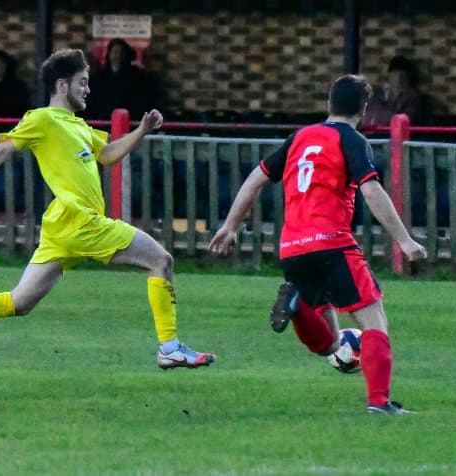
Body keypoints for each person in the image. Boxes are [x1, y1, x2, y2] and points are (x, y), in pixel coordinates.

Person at [0, 49, 217, 369]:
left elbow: (108, 154)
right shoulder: (42, 119)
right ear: (62, 85)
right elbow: (4, 149)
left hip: (62, 226)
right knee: (161, 260)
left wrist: (142, 130)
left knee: (19, 302)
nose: (88, 89)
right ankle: (169, 348)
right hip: (81, 221)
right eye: (82, 82)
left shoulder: (78, 125)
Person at [208, 74, 427, 415]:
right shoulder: (352, 140)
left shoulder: (299, 137)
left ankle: (297, 306)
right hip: (332, 243)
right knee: (374, 321)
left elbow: (255, 178)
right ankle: (379, 403)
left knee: (330, 344)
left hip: (293, 248)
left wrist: (230, 225)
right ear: (364, 109)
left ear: (329, 103)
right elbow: (371, 191)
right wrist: (404, 240)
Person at [86, 39, 157, 120]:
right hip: (104, 122)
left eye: (121, 53)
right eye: (115, 52)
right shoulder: (99, 78)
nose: (118, 56)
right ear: (109, 54)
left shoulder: (137, 77)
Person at [363, 56, 427, 126]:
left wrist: (383, 115)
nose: (399, 78)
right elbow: (368, 115)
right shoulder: (380, 94)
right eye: (395, 73)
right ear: (389, 75)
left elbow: (406, 120)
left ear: (409, 77)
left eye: (403, 74)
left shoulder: (413, 97)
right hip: (378, 131)